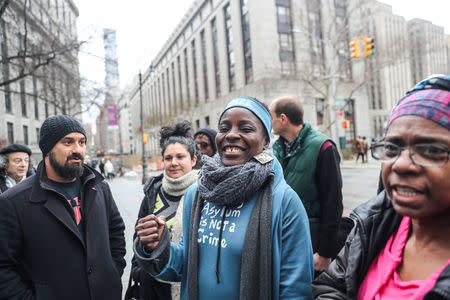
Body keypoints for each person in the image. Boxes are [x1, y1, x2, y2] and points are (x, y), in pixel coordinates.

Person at [133, 96, 314, 299]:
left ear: (265, 141)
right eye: (224, 128)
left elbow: (295, 289)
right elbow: (184, 264)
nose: (232, 135)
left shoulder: (285, 202)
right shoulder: (198, 194)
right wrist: (158, 246)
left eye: (246, 129)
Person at [313, 75, 450, 299]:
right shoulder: (374, 222)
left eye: (430, 150)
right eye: (392, 148)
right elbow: (330, 288)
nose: (401, 164)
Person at [0, 115, 126, 300]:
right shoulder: (13, 202)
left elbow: (116, 233)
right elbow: (4, 268)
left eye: (82, 142)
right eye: (68, 142)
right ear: (48, 149)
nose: (78, 150)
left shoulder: (99, 187)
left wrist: (112, 273)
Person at [269, 95, 343, 274]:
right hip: (283, 240)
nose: (268, 121)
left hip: (312, 243)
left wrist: (325, 253)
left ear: (283, 118)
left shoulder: (323, 147)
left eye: (270, 116)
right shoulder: (276, 149)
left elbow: (333, 204)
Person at [128, 121, 199, 300]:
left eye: (180, 157)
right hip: (154, 289)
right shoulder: (153, 192)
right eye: (168, 158)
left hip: (192, 286)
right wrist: (140, 271)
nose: (173, 163)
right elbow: (139, 236)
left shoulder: (205, 193)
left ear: (193, 160)